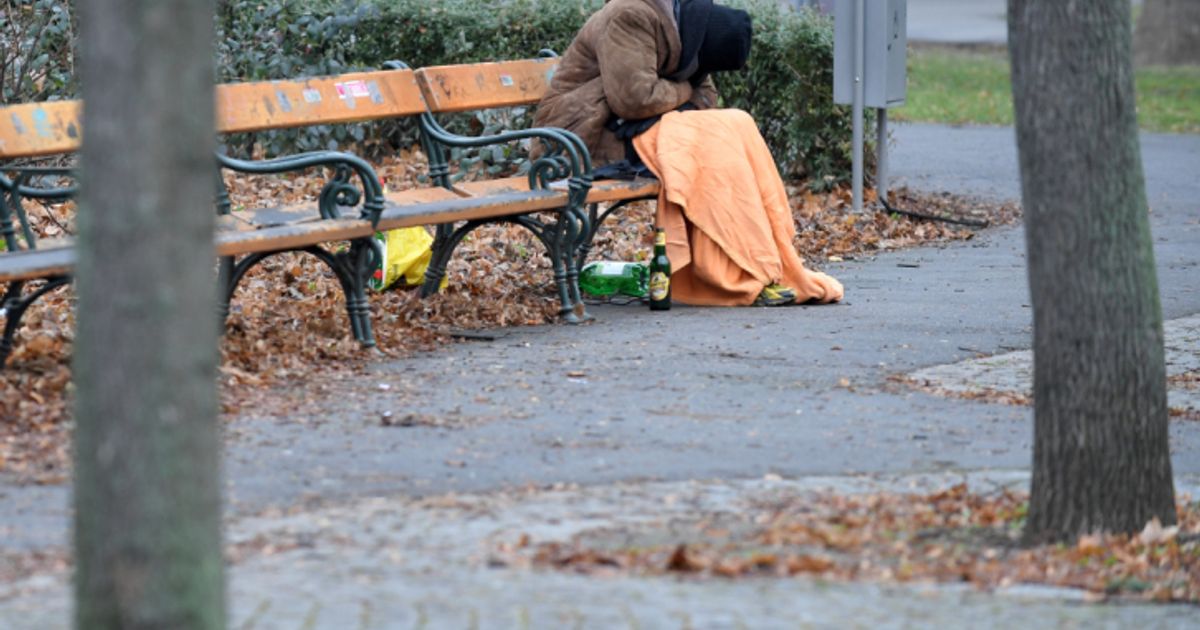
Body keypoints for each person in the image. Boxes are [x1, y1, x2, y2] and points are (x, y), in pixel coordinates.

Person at [534, 0, 844, 306]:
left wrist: (679, 92)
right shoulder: (629, 15)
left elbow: (706, 96)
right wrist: (684, 92)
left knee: (736, 124)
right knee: (707, 143)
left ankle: (764, 259)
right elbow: (635, 99)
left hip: (627, 126)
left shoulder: (689, 33)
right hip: (582, 136)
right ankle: (734, 268)